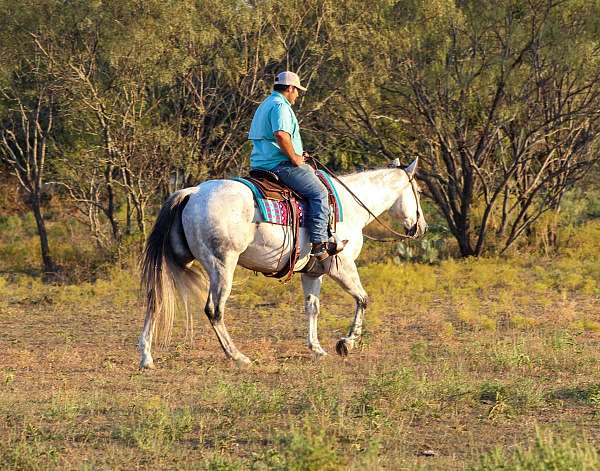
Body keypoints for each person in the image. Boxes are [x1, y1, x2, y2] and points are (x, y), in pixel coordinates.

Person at [248, 71, 333, 261]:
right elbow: (281, 135)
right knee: (320, 193)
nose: (297, 95)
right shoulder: (281, 106)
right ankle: (319, 243)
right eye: (297, 91)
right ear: (290, 88)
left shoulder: (265, 104)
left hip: (260, 164)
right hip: (280, 165)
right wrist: (295, 157)